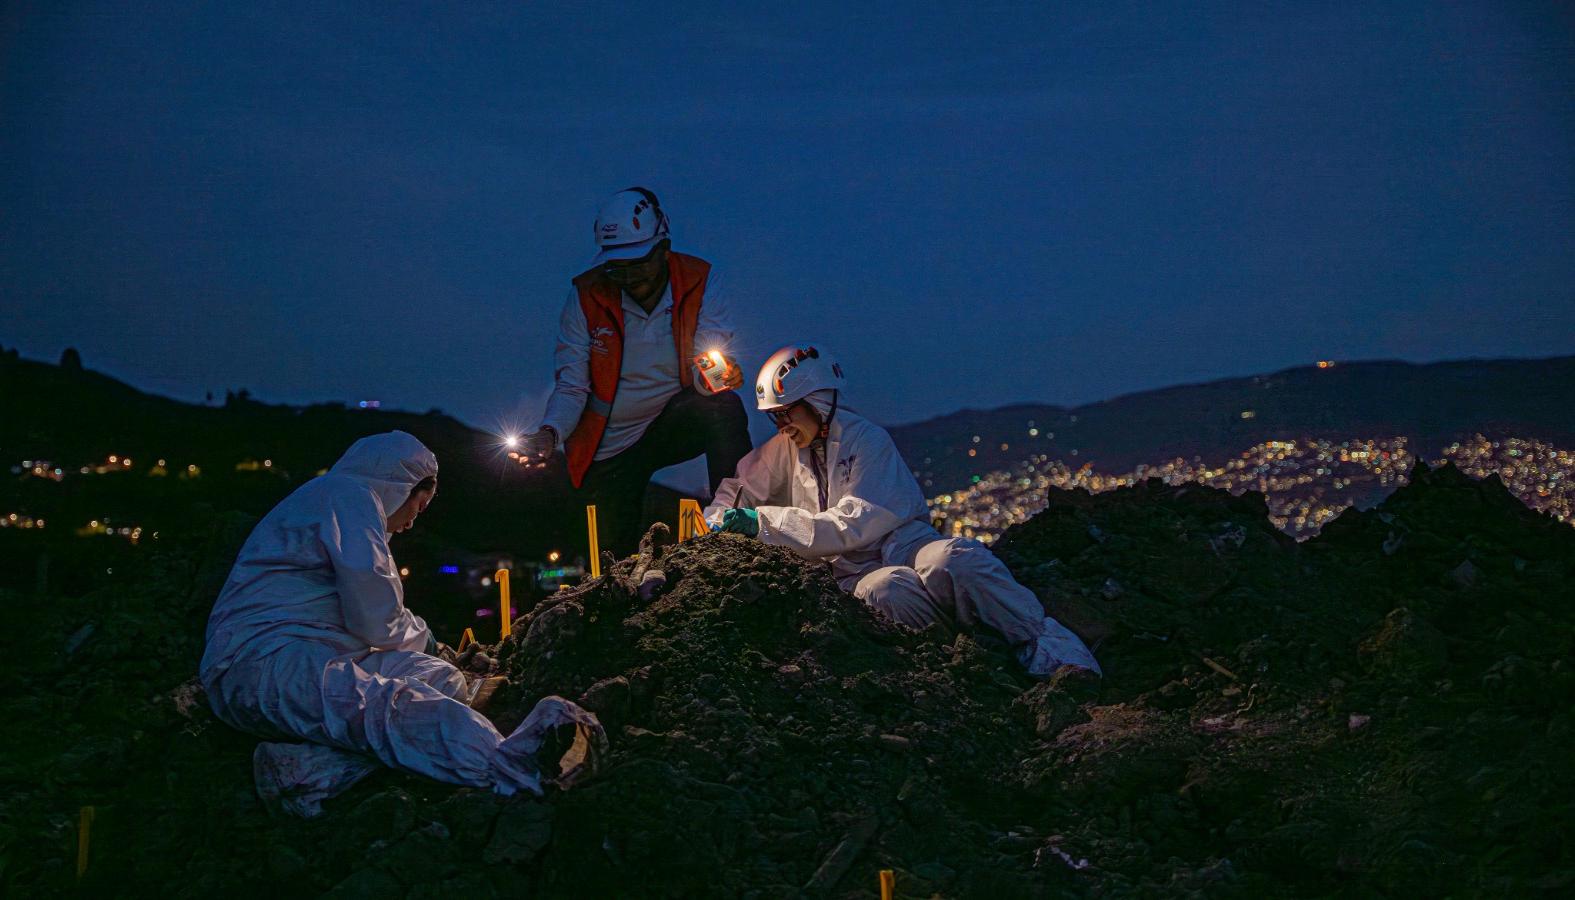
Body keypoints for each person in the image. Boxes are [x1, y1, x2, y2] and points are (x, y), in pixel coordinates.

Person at [200, 431, 603, 817]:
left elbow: (370, 612)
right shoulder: (348, 498)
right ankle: (511, 770)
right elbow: (375, 615)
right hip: (261, 664)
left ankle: (305, 772)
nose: (412, 523)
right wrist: (426, 640)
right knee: (388, 705)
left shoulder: (338, 502)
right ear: (399, 487)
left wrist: (430, 652)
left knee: (440, 679)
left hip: (314, 650)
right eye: (418, 508)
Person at [703, 345, 1101, 676]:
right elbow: (739, 488)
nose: (780, 424)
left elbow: (851, 524)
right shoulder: (785, 449)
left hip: (904, 544)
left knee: (954, 559)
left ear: (818, 402)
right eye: (774, 416)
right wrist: (718, 518)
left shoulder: (867, 441)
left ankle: (1051, 653)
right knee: (884, 591)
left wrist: (764, 523)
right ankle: (968, 667)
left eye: (786, 412)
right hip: (854, 572)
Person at [515, 187, 753, 556]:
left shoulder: (699, 279)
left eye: (638, 261)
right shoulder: (586, 295)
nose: (628, 276)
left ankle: (735, 529)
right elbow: (572, 385)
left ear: (663, 247)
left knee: (724, 408)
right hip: (610, 448)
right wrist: (550, 433)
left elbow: (708, 367)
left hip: (669, 423)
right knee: (610, 558)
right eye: (616, 266)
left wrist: (720, 379)